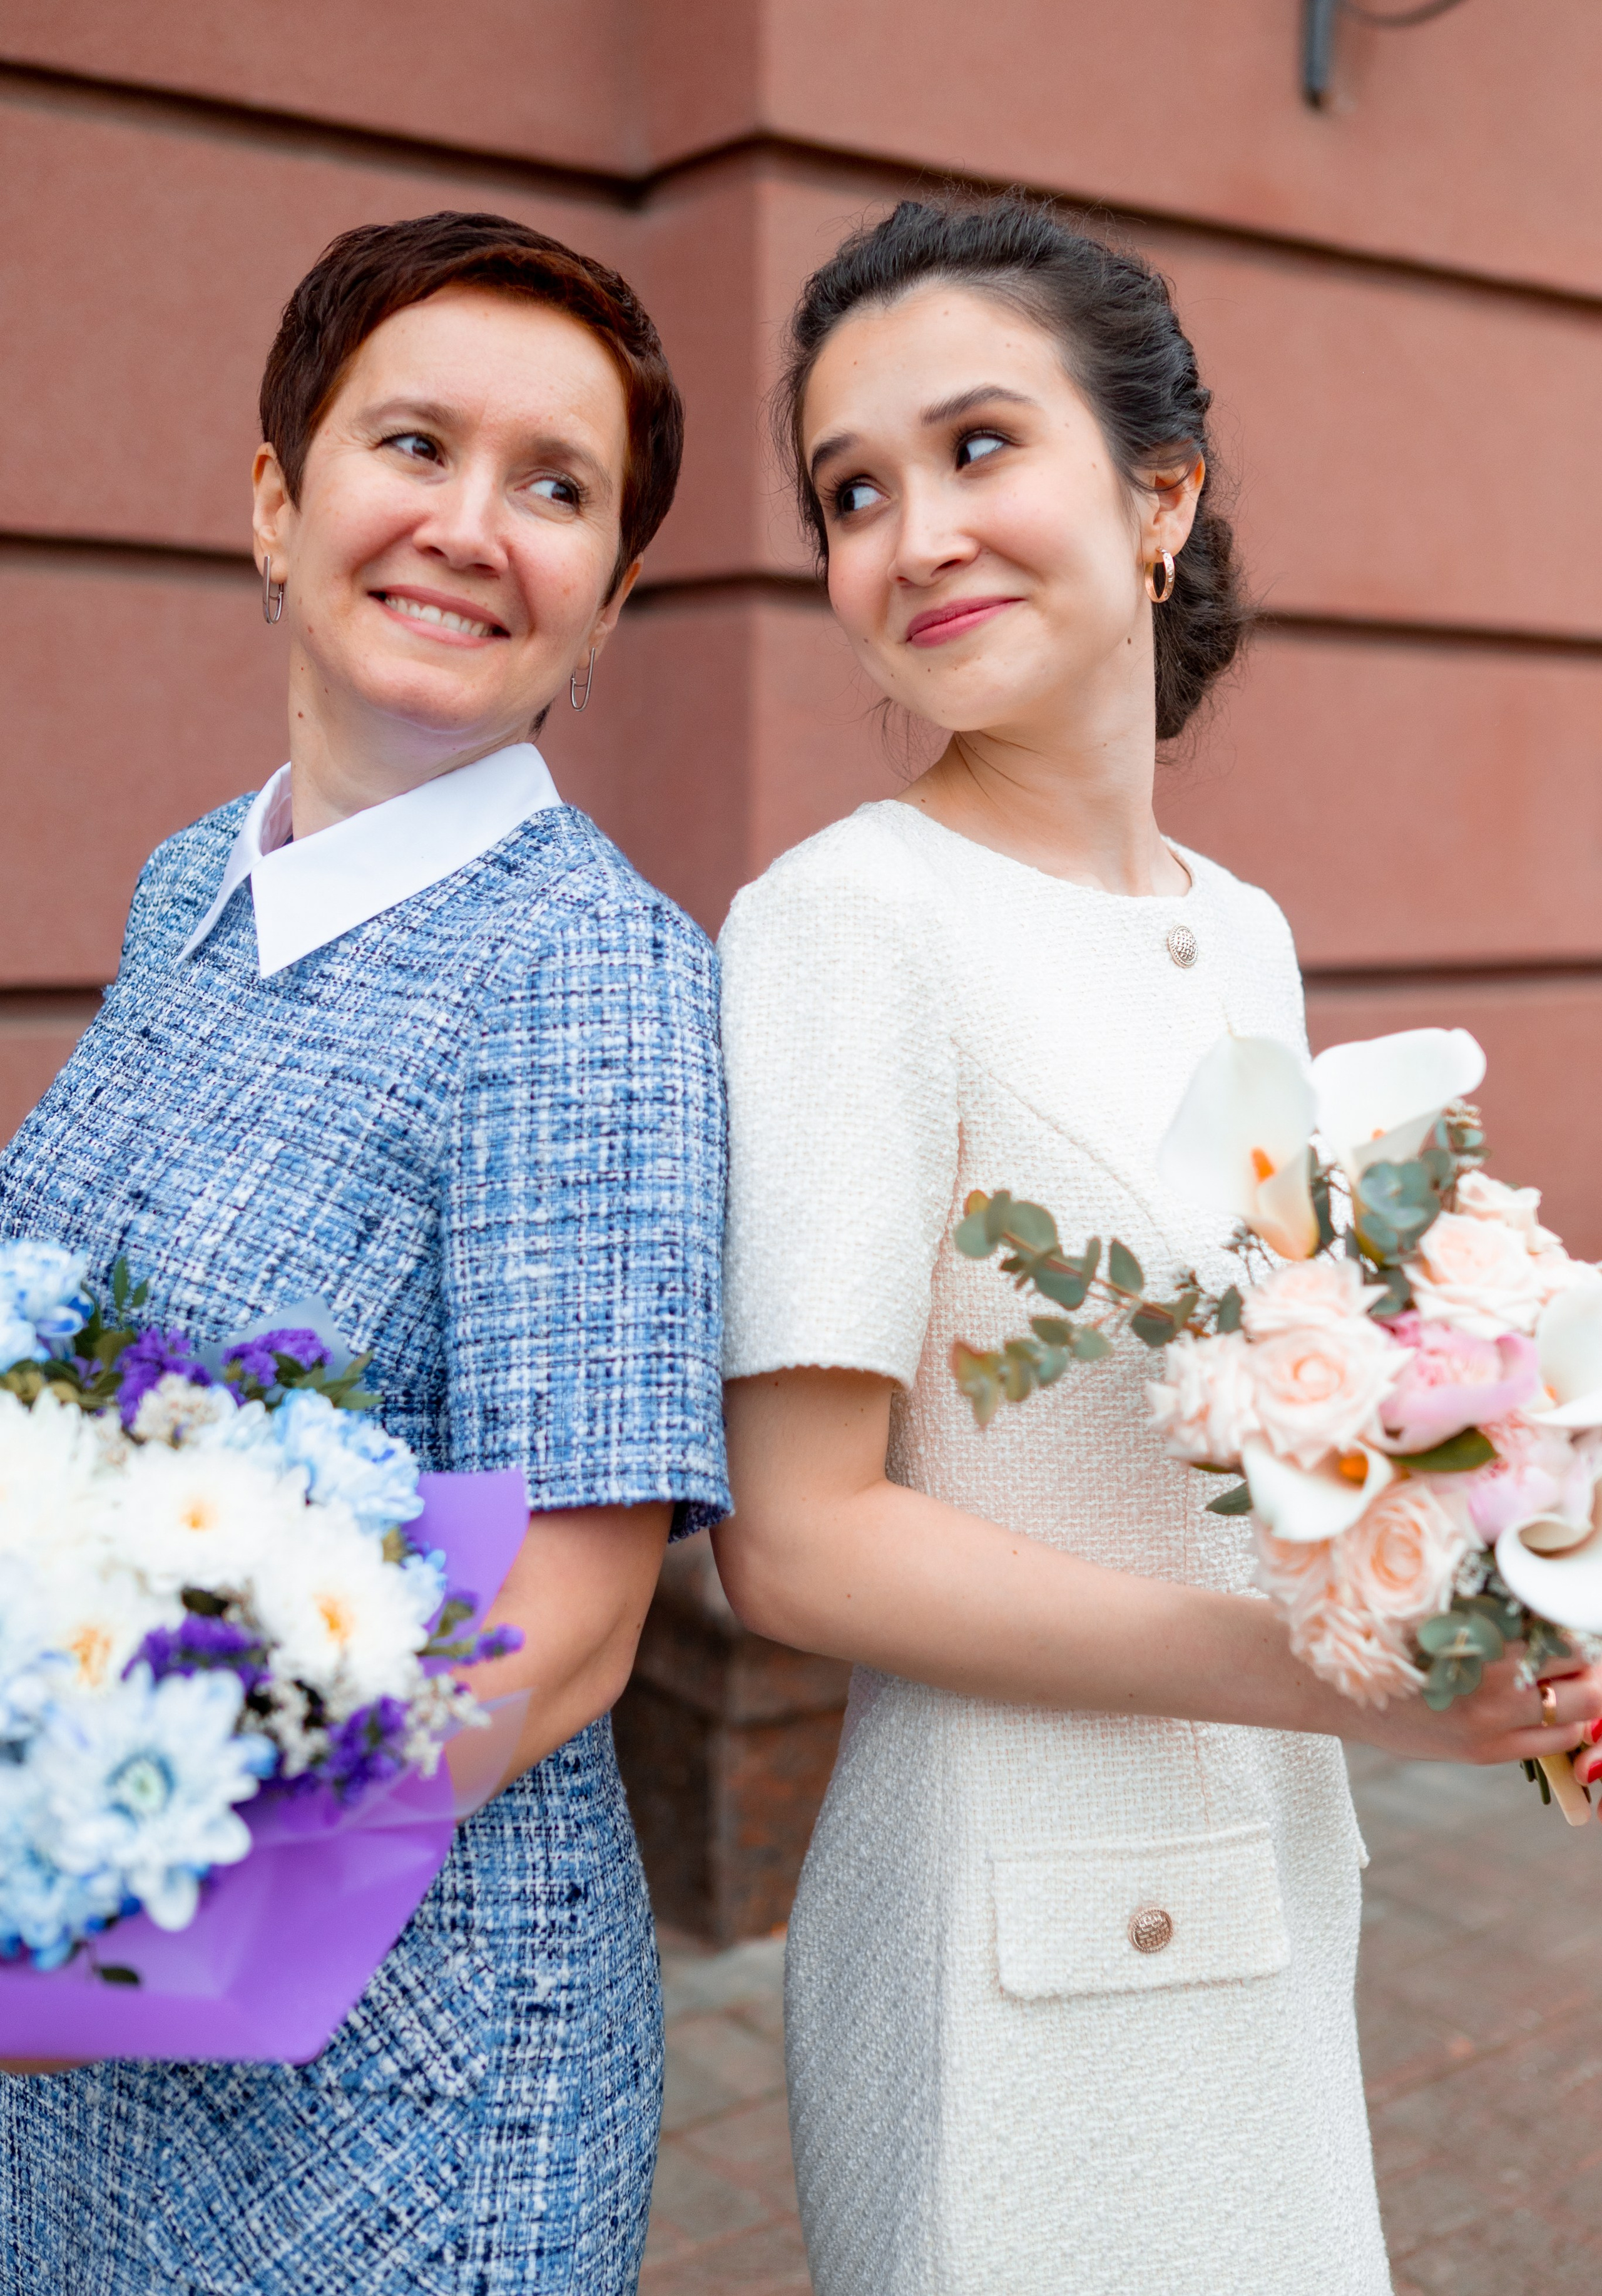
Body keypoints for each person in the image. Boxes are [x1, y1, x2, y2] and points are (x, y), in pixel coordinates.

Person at [711, 195, 1602, 2296]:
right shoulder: (848, 923)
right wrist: (1329, 1676)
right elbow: (800, 1541)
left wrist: (1481, 1560)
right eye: (854, 491)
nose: (914, 533)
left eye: (977, 446)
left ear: (1161, 497)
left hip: (1263, 1887)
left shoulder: (1241, 930)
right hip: (1009, 1941)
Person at [0, 210, 728, 2295]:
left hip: (388, 2095)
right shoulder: (190, 887)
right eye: (414, 444)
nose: (470, 527)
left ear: (609, 598)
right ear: (275, 499)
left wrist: (80, 1923)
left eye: (556, 488)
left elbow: (567, 1628)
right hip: (85, 2035)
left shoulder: (590, 973)